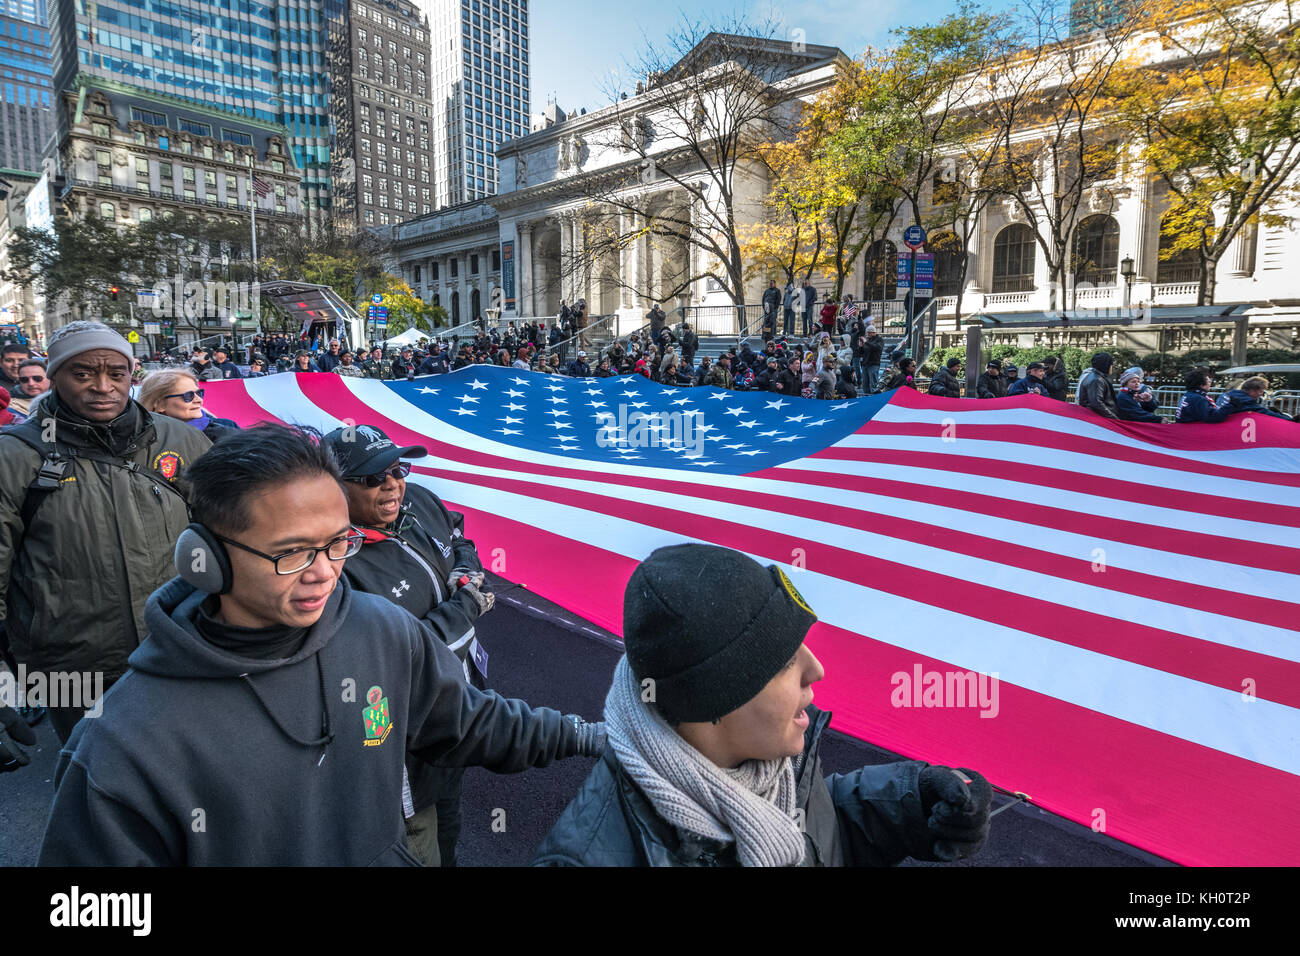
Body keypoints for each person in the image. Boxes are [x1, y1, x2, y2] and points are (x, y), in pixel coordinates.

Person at [37, 423, 606, 865]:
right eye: (292, 552)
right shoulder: (121, 742)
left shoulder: (379, 626)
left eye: (339, 544)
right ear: (203, 558)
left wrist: (600, 738)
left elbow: (472, 722)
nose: (324, 573)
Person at [533, 544, 991, 867]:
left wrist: (914, 804)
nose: (817, 672)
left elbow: (815, 837)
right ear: (717, 698)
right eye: (785, 661)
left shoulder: (772, 767)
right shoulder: (588, 856)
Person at [0, 322, 211, 744]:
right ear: (54, 375)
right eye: (82, 374)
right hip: (70, 669)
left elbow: (228, 536)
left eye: (116, 374)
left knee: (180, 777)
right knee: (93, 783)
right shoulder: (13, 456)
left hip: (177, 650)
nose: (102, 387)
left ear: (131, 376)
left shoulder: (181, 441)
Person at [323, 425, 492, 867]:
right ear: (334, 488)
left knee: (450, 819)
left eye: (398, 469)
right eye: (373, 477)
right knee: (418, 838)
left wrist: (466, 572)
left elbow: (458, 538)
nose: (393, 484)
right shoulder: (332, 563)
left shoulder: (418, 499)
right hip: (400, 735)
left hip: (454, 707)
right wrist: (466, 608)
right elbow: (398, 656)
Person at [138, 369, 240, 442]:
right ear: (159, 404)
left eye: (199, 393)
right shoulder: (140, 440)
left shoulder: (227, 429)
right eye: (188, 395)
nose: (199, 400)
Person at [1216, 375, 1293, 420]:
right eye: (1261, 391)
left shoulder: (1226, 394)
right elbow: (1264, 413)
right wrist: (1289, 419)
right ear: (1252, 390)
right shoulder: (1246, 400)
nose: (1261, 394)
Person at [1076, 352, 1119, 419]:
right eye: (1111, 364)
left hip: (1098, 417)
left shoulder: (1096, 377)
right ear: (1106, 365)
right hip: (1100, 419)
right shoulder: (1097, 380)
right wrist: (1113, 418)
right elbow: (1097, 403)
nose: (1112, 367)